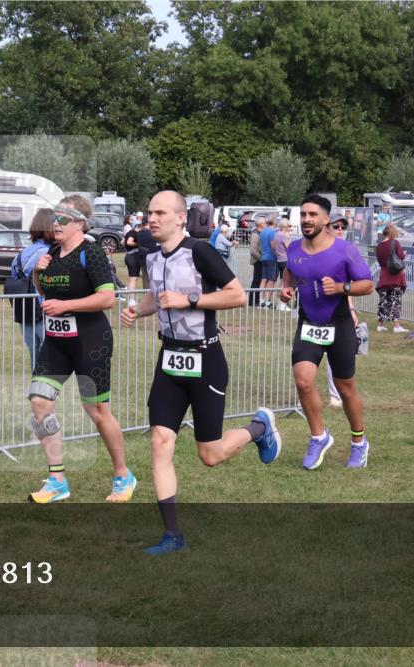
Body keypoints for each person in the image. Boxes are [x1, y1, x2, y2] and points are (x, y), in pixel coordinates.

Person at [119, 190, 281, 555]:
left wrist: (190, 300)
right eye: (149, 213)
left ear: (180, 217)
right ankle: (173, 535)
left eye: (160, 212)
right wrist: (138, 311)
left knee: (209, 455)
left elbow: (237, 295)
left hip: (205, 360)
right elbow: (157, 295)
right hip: (170, 361)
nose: (152, 218)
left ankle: (260, 428)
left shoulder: (201, 252)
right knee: (160, 442)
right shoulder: (152, 256)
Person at [26, 194, 135, 504]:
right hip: (56, 344)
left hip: (91, 342)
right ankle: (57, 480)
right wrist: (37, 272)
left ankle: (122, 474)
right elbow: (47, 292)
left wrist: (66, 306)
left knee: (98, 413)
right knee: (39, 403)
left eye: (63, 218)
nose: (55, 223)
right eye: (53, 217)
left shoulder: (93, 253)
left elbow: (106, 298)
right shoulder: (50, 253)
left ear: (80, 224)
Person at [279, 193, 373, 470]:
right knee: (304, 381)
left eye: (312, 215)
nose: (306, 219)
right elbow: (289, 272)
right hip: (309, 324)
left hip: (339, 324)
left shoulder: (344, 250)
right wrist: (286, 288)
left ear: (325, 219)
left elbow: (367, 284)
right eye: (303, 214)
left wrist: (342, 288)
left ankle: (359, 442)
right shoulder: (294, 248)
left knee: (345, 388)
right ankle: (319, 436)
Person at [323, 216, 359, 408]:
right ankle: (302, 396)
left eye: (342, 227)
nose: (339, 229)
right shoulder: (312, 248)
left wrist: (351, 309)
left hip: (338, 313)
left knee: (335, 356)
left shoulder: (346, 251)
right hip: (314, 313)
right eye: (335, 226)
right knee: (307, 360)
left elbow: (349, 286)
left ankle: (335, 395)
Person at [10, 208, 54, 358]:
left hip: (25, 312)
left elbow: (14, 277)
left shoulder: (21, 254)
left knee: (35, 356)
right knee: (49, 359)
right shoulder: (52, 254)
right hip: (47, 312)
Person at [375, 224, 408, 333]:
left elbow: (380, 261)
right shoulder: (395, 243)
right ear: (392, 233)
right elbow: (402, 257)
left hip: (384, 276)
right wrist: (403, 254)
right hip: (395, 277)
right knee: (395, 301)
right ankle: (396, 325)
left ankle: (380, 324)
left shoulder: (379, 246)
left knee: (383, 301)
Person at [259, 215, 278, 308]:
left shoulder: (263, 231)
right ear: (274, 222)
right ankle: (268, 302)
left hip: (264, 257)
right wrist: (277, 254)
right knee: (271, 280)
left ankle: (261, 300)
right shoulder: (272, 232)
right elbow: (273, 245)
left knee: (264, 279)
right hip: (271, 257)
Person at [273, 219, 292, 311]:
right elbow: (289, 247)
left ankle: (279, 304)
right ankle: (282, 304)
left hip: (279, 260)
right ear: (285, 226)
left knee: (281, 282)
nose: (290, 228)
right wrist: (289, 238)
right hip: (285, 260)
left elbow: (273, 247)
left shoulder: (276, 234)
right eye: (289, 226)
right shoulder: (283, 235)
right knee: (286, 283)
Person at [248, 216, 265, 306]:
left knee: (258, 281)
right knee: (256, 281)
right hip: (257, 261)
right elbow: (253, 250)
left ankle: (256, 300)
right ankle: (252, 301)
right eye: (265, 223)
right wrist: (261, 259)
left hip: (259, 260)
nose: (266, 224)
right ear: (261, 224)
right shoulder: (255, 234)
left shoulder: (259, 233)